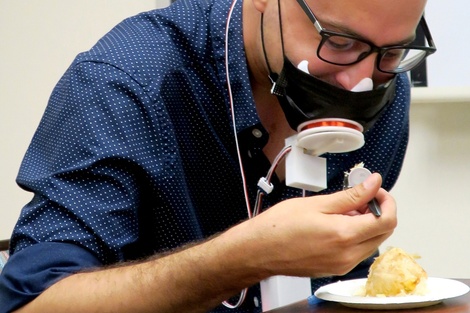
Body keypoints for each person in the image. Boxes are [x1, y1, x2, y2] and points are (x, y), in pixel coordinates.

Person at [0, 0, 435, 311]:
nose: (357, 83)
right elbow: (36, 303)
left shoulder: (382, 86)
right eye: (338, 43)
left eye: (393, 52)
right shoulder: (129, 82)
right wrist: (243, 258)